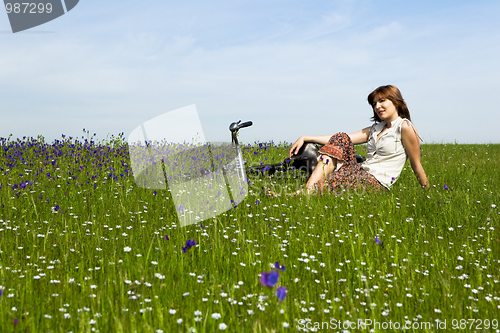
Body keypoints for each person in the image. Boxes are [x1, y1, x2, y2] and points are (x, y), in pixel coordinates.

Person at [288, 85, 429, 195]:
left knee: (338, 178)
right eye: (374, 104)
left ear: (396, 102)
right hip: (360, 174)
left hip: (377, 183)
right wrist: (306, 137)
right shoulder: (375, 128)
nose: (377, 106)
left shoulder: (404, 126)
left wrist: (428, 192)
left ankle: (301, 194)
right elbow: (340, 139)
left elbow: (416, 164)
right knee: (341, 137)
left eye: (382, 101)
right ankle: (308, 190)